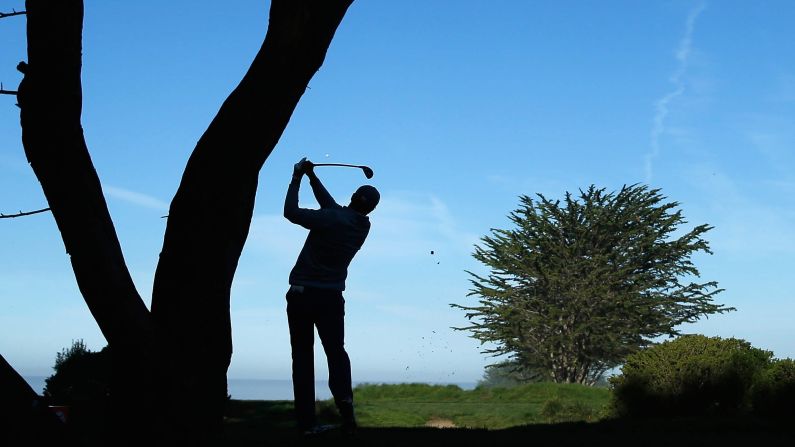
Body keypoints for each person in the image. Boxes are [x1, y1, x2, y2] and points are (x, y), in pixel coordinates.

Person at [283, 157, 380, 435]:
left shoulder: (332, 218)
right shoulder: (362, 226)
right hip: (332, 299)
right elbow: (331, 208)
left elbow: (290, 212)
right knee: (336, 353)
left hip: (302, 295)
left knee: (302, 356)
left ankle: (306, 423)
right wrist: (313, 178)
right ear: (370, 208)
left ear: (352, 197)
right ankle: (347, 413)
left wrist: (297, 177)